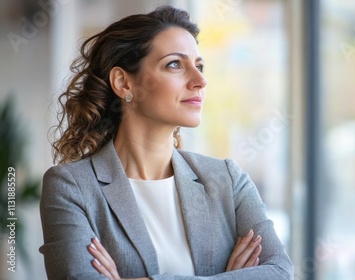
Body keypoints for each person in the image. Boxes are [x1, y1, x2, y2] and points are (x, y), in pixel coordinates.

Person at [39, 5, 293, 280]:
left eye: (199, 66)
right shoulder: (71, 187)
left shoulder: (228, 181)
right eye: (175, 64)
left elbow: (279, 272)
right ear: (124, 83)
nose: (200, 80)